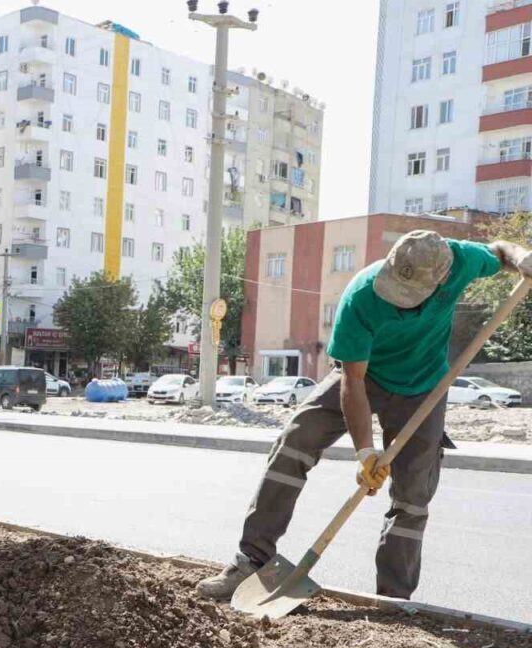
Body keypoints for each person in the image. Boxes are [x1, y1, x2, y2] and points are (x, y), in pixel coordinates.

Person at [196, 230, 532, 601]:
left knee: (412, 496)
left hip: (422, 389)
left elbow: (499, 250)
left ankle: (391, 599)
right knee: (295, 440)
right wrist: (365, 452)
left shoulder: (458, 261)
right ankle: (251, 562)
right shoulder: (361, 296)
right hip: (364, 376)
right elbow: (352, 382)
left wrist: (521, 257)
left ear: (440, 279)